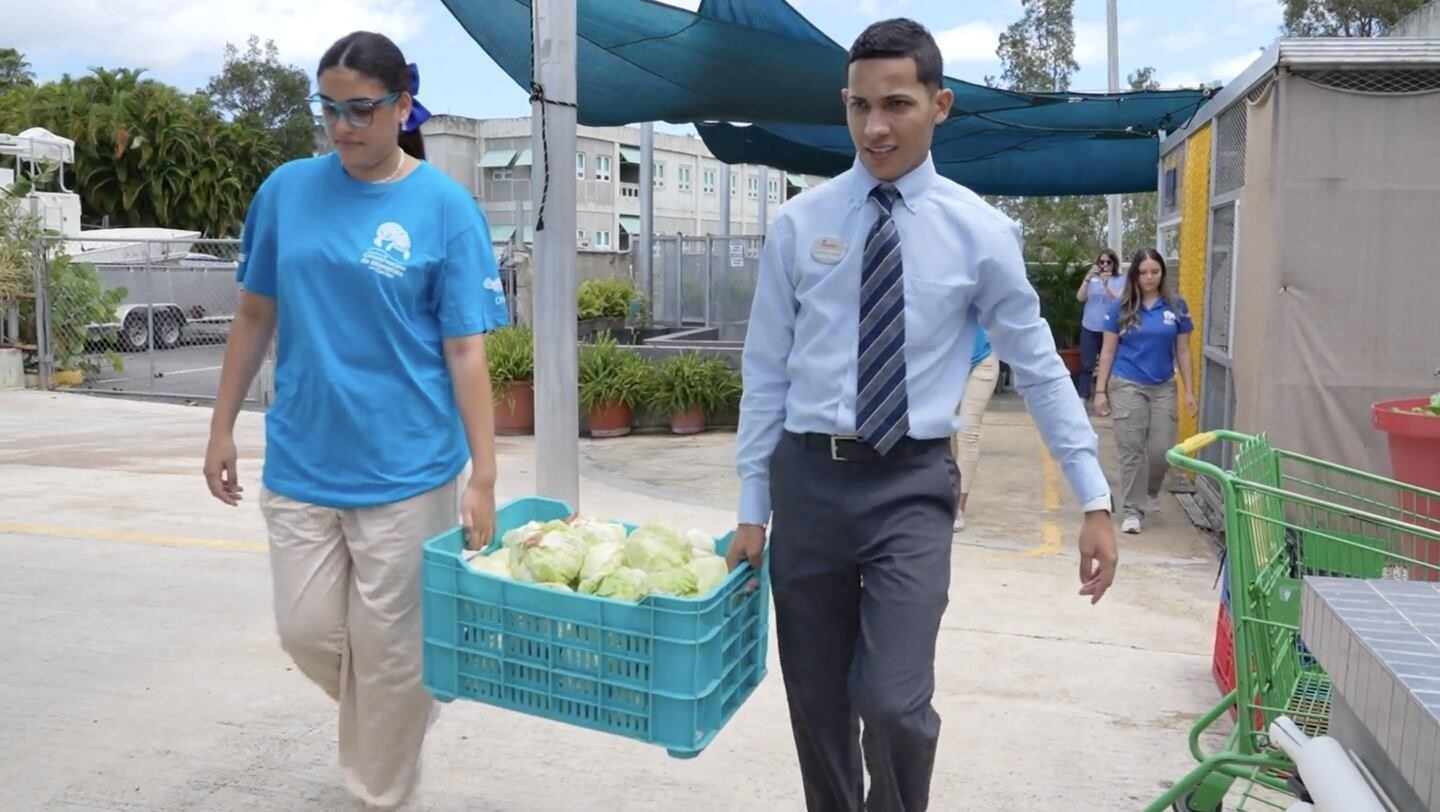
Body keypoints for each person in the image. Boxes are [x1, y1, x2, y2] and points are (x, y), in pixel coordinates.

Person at [725, 18, 1119, 812]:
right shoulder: (801, 226)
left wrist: (1094, 496)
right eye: (859, 105)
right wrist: (751, 508)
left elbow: (1040, 368)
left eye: (897, 104)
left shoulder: (979, 232)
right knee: (819, 706)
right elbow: (764, 373)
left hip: (910, 483)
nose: (875, 126)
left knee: (894, 702)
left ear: (939, 105)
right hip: (807, 480)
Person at [201, 31, 508, 810]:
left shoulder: (444, 207)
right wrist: (221, 426)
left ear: (402, 106)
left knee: (391, 658)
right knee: (309, 635)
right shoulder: (286, 191)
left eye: (362, 110)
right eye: (330, 110)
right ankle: (406, 694)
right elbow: (252, 311)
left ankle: (381, 793)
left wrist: (486, 474)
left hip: (408, 470)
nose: (343, 128)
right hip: (303, 457)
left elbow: (466, 350)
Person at [1094, 248, 1196, 536]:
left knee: (1161, 450)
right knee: (1131, 450)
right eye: (1143, 272)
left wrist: (1189, 391)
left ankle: (1150, 492)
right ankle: (1132, 510)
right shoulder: (1121, 308)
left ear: (1162, 274)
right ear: (1135, 275)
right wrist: (1100, 391)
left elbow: (1184, 350)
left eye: (1155, 271)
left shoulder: (1176, 307)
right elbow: (1108, 350)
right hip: (1127, 383)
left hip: (1163, 385)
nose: (1149, 277)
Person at [949, 326, 999, 532]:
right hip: (947, 363)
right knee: (943, 433)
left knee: (967, 433)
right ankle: (942, 496)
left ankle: (958, 508)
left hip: (982, 360)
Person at [1075, 248, 1125, 403]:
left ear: (1114, 263)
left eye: (1108, 262)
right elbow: (1080, 297)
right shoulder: (1092, 279)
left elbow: (1119, 301)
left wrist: (1106, 284)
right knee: (1086, 364)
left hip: (1110, 330)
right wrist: (1087, 279)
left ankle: (1109, 397)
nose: (1104, 265)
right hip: (1090, 327)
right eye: (1101, 262)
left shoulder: (1120, 279)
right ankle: (1083, 397)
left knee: (1110, 364)